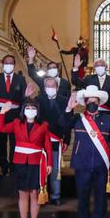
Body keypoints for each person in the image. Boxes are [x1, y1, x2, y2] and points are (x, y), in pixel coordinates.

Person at [60, 86, 110, 218]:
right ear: (85, 103)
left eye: (95, 101)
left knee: (101, 198)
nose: (92, 103)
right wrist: (68, 109)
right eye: (89, 101)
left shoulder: (107, 120)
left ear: (99, 103)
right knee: (83, 198)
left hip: (101, 165)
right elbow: (63, 125)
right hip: (82, 164)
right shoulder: (78, 118)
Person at [0, 98, 53, 218]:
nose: (30, 111)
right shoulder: (16, 123)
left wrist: (50, 163)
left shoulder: (43, 125)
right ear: (23, 110)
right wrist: (2, 112)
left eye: (33, 108)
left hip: (36, 163)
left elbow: (48, 146)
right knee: (23, 195)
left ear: (37, 111)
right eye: (28, 108)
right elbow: (0, 128)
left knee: (34, 194)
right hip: (20, 162)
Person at [0, 55, 33, 176]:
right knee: (2, 141)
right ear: (3, 64)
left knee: (14, 141)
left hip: (15, 114)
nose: (8, 65)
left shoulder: (20, 79)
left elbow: (23, 97)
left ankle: (14, 166)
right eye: (6, 63)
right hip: (0, 113)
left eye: (11, 63)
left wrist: (27, 95)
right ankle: (3, 166)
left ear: (14, 65)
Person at [37, 77, 70, 206]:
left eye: (53, 85)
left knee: (55, 170)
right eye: (48, 85)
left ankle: (55, 196)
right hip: (41, 140)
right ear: (44, 88)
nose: (50, 88)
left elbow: (67, 121)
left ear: (57, 87)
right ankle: (42, 193)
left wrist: (66, 139)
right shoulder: (38, 100)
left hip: (56, 139)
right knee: (42, 168)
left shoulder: (64, 100)